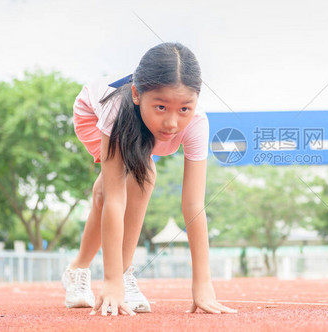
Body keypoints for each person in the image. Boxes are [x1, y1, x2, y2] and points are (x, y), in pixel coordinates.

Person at [62, 42, 237, 316]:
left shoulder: (197, 124)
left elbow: (193, 205)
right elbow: (117, 200)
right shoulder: (116, 110)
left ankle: (98, 271)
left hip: (137, 129)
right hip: (93, 115)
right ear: (136, 94)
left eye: (184, 109)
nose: (171, 123)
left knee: (126, 180)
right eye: (161, 107)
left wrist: (203, 284)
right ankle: (94, 273)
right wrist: (111, 282)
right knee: (131, 179)